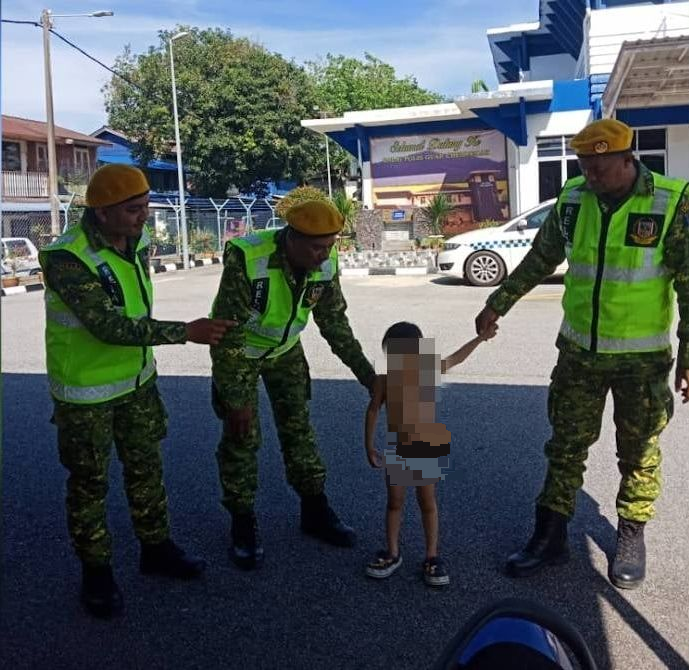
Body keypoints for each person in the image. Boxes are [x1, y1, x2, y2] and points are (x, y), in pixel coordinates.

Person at [474, 118, 689, 589]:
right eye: (586, 165)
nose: (592, 176)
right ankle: (550, 537)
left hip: (642, 359)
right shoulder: (573, 199)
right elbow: (540, 257)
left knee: (639, 451)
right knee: (565, 447)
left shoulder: (670, 202)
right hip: (578, 355)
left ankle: (631, 535)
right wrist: (498, 302)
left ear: (628, 158)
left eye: (601, 166)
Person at [39, 164, 235, 618]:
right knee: (89, 485)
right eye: (132, 209)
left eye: (146, 206)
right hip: (85, 394)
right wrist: (185, 332)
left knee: (146, 470)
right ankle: (97, 575)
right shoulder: (68, 258)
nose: (143, 216)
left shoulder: (137, 242)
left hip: (137, 382)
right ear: (102, 213)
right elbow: (106, 324)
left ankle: (156, 548)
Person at [209, 198, 382, 570]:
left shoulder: (325, 262)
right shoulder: (248, 258)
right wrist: (235, 397)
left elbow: (333, 323)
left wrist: (368, 376)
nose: (324, 255)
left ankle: (315, 511)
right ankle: (242, 523)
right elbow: (227, 333)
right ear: (292, 238)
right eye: (317, 247)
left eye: (330, 245)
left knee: (299, 431)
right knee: (242, 437)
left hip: (286, 352)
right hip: (243, 353)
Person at [364, 321, 497, 586]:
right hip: (397, 450)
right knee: (394, 503)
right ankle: (392, 552)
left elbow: (456, 358)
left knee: (427, 503)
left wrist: (480, 339)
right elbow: (373, 410)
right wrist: (369, 446)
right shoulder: (384, 379)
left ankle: (432, 556)